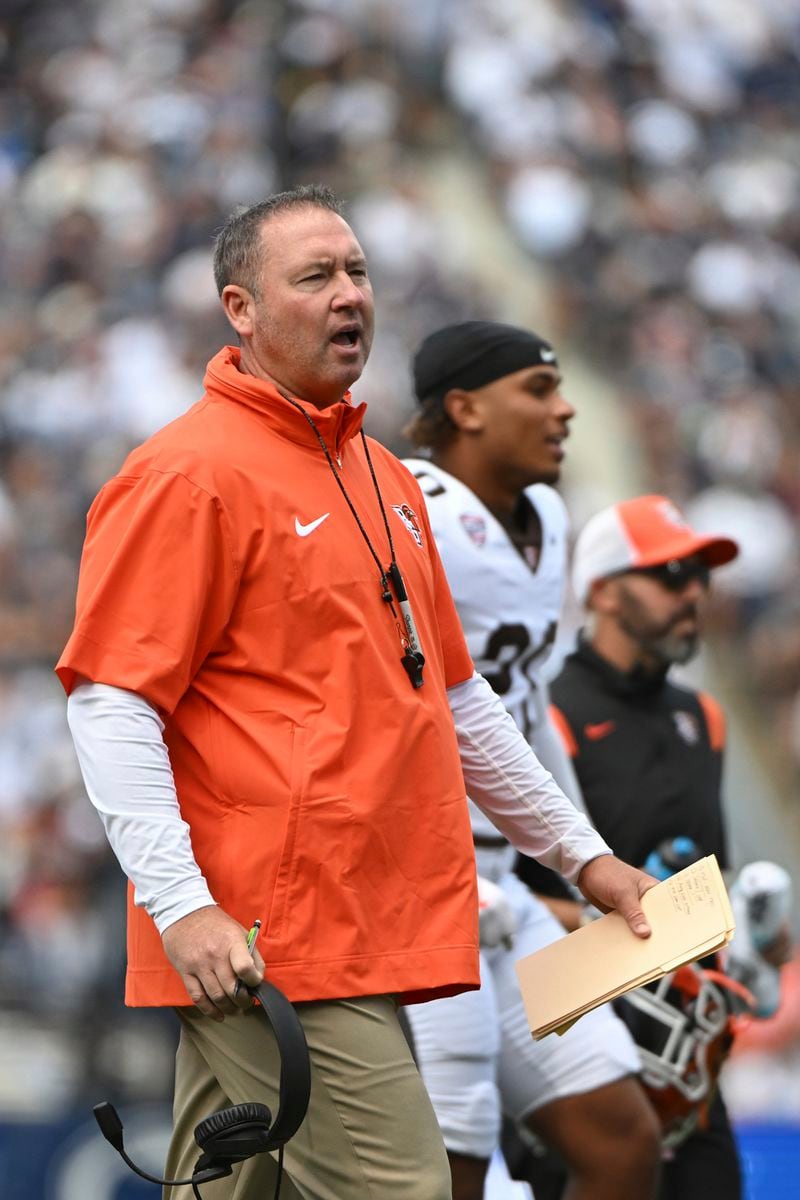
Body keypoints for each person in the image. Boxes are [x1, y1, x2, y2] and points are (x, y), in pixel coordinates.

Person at [55, 186, 656, 1200]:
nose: (349, 296)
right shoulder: (185, 475)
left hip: (352, 923)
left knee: (233, 1185)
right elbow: (112, 702)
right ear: (240, 311)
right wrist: (183, 906)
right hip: (274, 935)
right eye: (315, 277)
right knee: (403, 1190)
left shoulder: (381, 477)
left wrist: (583, 860)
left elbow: (458, 708)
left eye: (358, 272)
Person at [402, 321, 661, 1200]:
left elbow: (523, 707)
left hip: (505, 879)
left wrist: (573, 856)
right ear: (465, 408)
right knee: (454, 1159)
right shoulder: (409, 510)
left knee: (623, 1140)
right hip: (413, 883)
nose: (566, 408)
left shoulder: (546, 516)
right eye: (539, 391)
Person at [547, 494, 745, 1199]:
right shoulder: (546, 715)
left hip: (692, 1074)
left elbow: (714, 891)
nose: (692, 591)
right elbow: (515, 907)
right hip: (581, 1072)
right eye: (669, 575)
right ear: (601, 589)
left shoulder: (706, 717)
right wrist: (648, 937)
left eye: (699, 575)